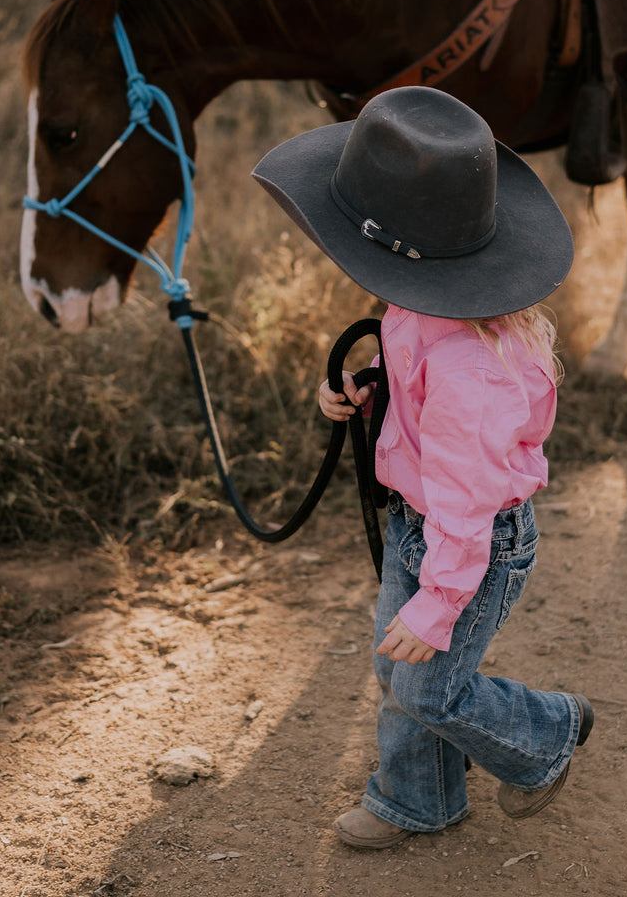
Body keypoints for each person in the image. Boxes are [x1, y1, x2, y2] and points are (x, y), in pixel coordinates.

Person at [252, 86, 593, 849]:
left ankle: (547, 734)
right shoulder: (423, 308)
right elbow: (410, 382)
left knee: (427, 685)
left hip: (470, 544)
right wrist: (364, 392)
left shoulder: (475, 372)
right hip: (421, 523)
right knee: (394, 670)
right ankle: (418, 798)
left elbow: (467, 497)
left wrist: (439, 600)